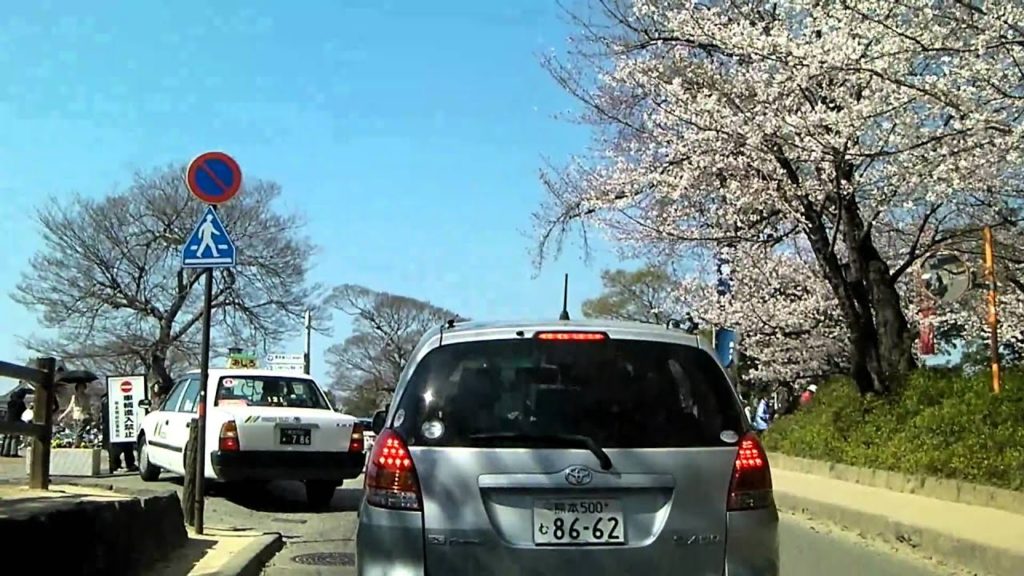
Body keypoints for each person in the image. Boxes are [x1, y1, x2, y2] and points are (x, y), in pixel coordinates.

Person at [59, 382, 93, 448]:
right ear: (77, 388)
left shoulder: (87, 397)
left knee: (79, 432)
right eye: (80, 387)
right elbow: (70, 407)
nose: (81, 389)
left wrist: (91, 414)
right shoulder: (74, 397)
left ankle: (76, 445)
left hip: (84, 417)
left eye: (83, 387)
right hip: (76, 417)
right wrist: (63, 415)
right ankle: (77, 444)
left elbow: (88, 407)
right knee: (77, 432)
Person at [2, 389, 28, 457]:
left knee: (8, 437)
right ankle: (13, 453)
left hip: (7, 420)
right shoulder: (20, 403)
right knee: (15, 437)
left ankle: (5, 452)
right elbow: (24, 411)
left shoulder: (10, 402)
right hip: (15, 421)